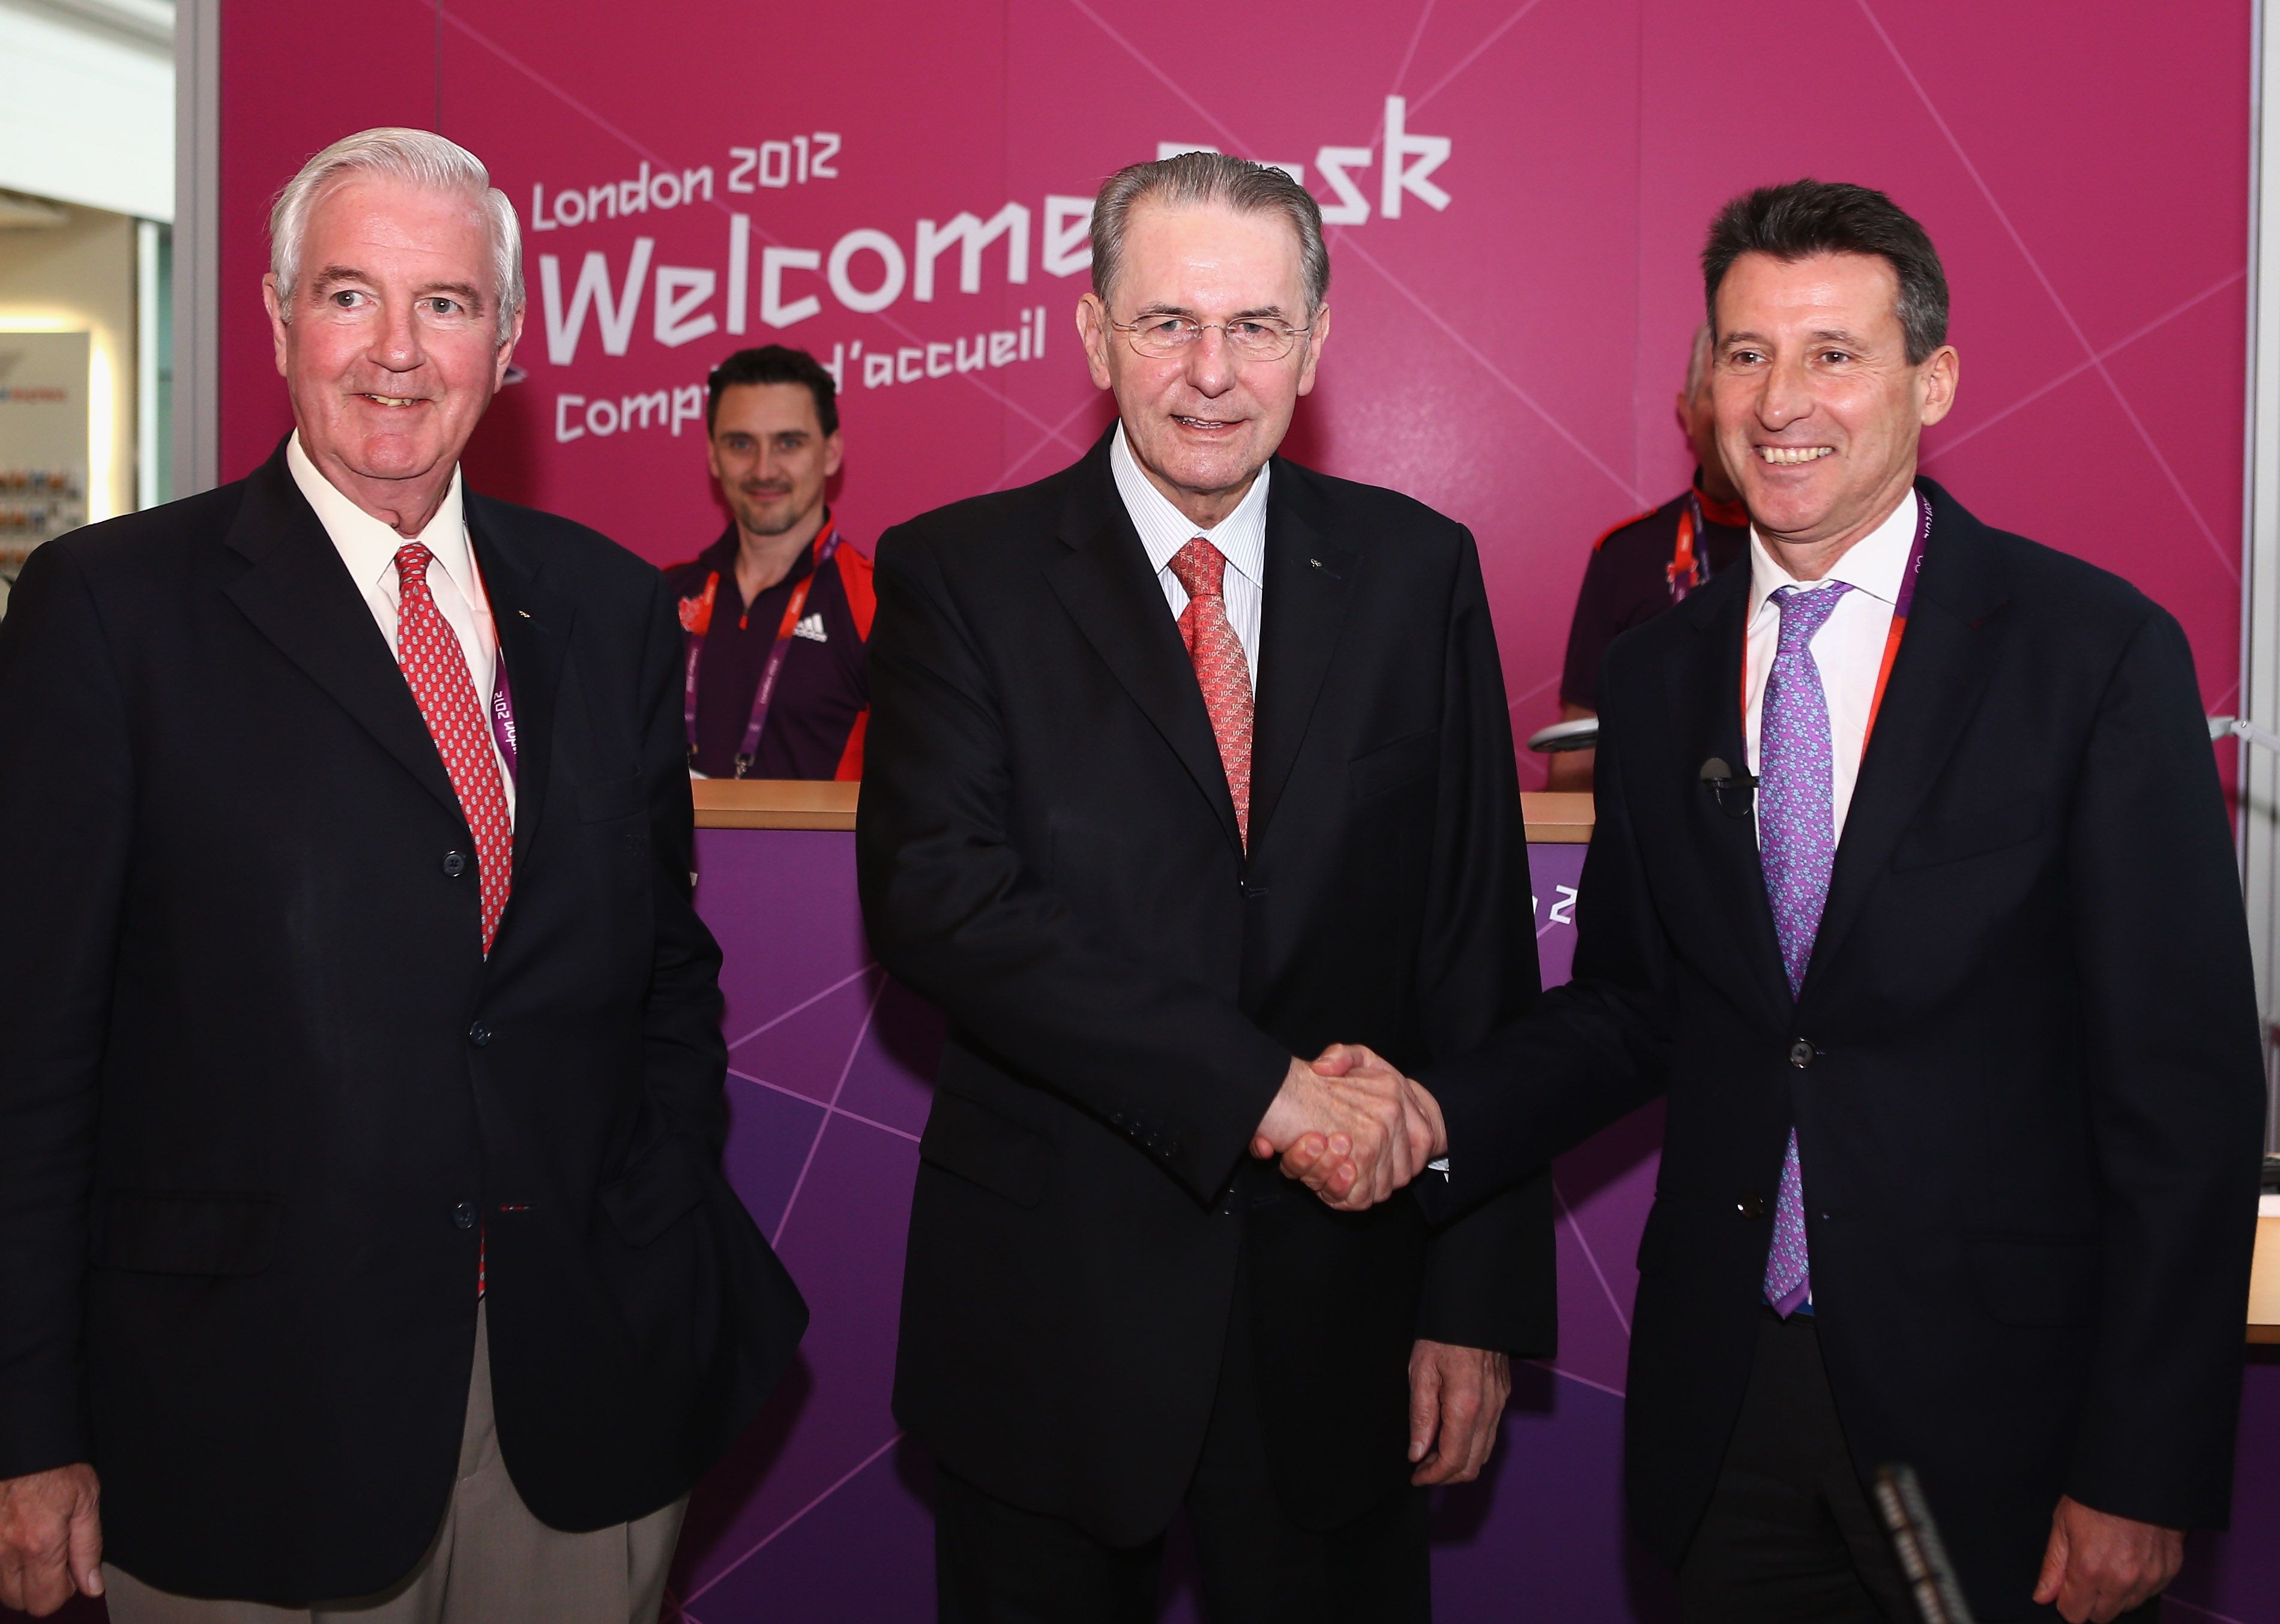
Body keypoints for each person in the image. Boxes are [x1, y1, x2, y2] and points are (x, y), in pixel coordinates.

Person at [1283, 179, 2266, 1623]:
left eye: (1830, 353)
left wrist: (2142, 1461)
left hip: (1993, 1421)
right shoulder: (1660, 666)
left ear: (1928, 379)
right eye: (1743, 353)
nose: (1779, 399)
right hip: (1726, 1405)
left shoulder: (2090, 655)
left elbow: (2181, 1093)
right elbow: (1631, 1005)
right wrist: (1432, 1111)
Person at [0, 128, 806, 1622]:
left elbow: (661, 968)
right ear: (273, 312)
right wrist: (27, 1425)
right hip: (248, 1424)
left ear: (505, 338)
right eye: (348, 294)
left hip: (579, 1402)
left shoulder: (610, 607)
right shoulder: (110, 612)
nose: (394, 352)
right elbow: (31, 1051)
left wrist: (660, 1218)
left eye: (443, 304)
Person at [855, 151, 1549, 1622]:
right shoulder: (955, 575)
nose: (1211, 374)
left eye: (1254, 327)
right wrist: (1267, 1093)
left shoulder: (1416, 571)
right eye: (1166, 323)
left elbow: (1472, 950)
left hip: (1343, 1330)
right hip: (1050, 1328)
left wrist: (1472, 1300)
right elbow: (944, 902)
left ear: (1315, 341)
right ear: (1094, 335)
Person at [1546, 323, 1749, 790]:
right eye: (1717, 394)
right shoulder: (1627, 554)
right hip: (1659, 825)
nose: (1739, 414)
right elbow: (1580, 740)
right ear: (1686, 412)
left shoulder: (1820, 549)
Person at [668, 344, 872, 780]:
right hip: (679, 851)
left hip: (824, 852)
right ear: (713, 456)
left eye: (789, 443)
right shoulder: (661, 596)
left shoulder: (876, 604)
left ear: (831, 452)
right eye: (741, 443)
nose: (764, 469)